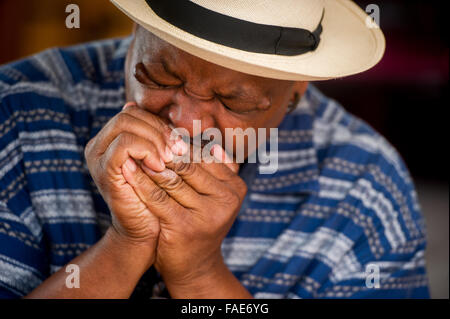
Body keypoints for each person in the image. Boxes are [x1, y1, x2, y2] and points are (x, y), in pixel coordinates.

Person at [0, 0, 429, 298]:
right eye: (162, 77)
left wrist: (199, 272)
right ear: (136, 32)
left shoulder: (366, 189)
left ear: (297, 89)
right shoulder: (17, 113)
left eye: (232, 102)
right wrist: (124, 249)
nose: (187, 124)